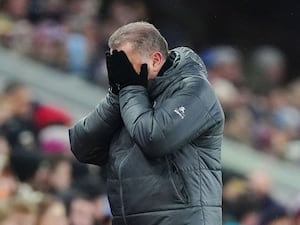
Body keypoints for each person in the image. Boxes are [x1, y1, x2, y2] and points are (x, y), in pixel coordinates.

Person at [69, 21, 224, 225]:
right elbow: (82, 147)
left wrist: (130, 88)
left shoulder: (195, 90)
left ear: (156, 60)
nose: (119, 72)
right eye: (115, 64)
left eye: (125, 64)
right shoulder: (128, 94)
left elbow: (154, 138)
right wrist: (117, 94)